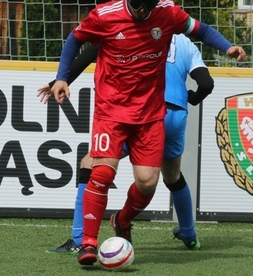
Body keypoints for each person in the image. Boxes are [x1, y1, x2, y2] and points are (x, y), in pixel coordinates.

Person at [50, 0, 246, 266]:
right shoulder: (105, 15)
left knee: (147, 183)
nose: (141, 10)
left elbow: (201, 30)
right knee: (101, 171)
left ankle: (122, 220)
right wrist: (62, 77)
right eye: (136, 2)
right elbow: (75, 40)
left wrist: (227, 46)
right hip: (111, 110)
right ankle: (88, 242)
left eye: (148, 4)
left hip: (150, 114)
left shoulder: (167, 14)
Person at [40, 34, 213, 253]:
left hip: (144, 111)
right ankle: (189, 235)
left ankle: (78, 238)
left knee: (90, 163)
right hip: (176, 114)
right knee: (172, 176)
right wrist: (193, 98)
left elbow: (90, 53)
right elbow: (206, 83)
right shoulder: (186, 43)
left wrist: (60, 80)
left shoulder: (136, 31)